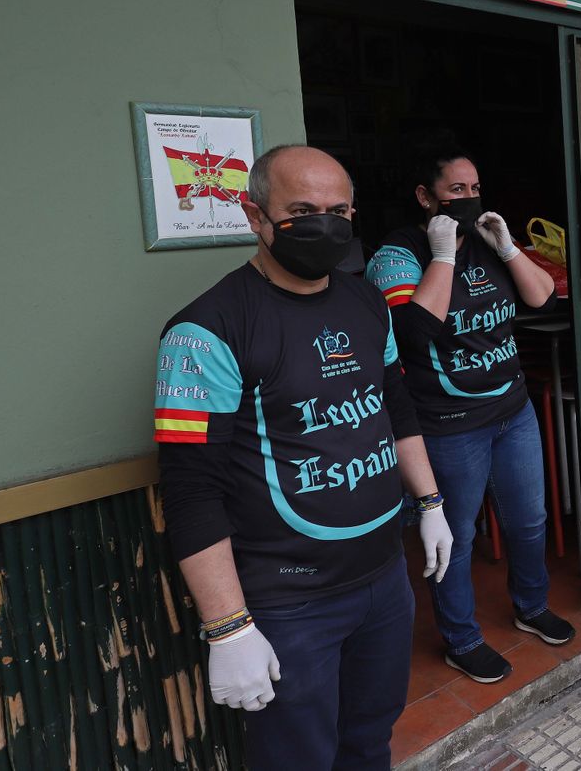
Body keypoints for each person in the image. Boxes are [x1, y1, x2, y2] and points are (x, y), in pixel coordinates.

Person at [154, 145, 453, 770]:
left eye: (338, 209)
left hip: (383, 580)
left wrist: (430, 503)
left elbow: (395, 407)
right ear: (255, 216)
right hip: (290, 602)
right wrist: (229, 627)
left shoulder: (367, 301)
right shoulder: (207, 330)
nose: (323, 224)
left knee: (371, 739)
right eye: (301, 210)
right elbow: (190, 490)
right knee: (299, 759)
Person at [366, 136, 571, 685]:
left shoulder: (486, 239)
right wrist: (443, 255)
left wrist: (506, 247)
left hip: (513, 411)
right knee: (450, 538)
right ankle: (461, 639)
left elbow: (541, 298)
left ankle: (531, 607)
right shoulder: (396, 255)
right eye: (456, 189)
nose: (469, 198)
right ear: (424, 196)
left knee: (529, 521)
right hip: (448, 425)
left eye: (475, 188)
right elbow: (413, 333)